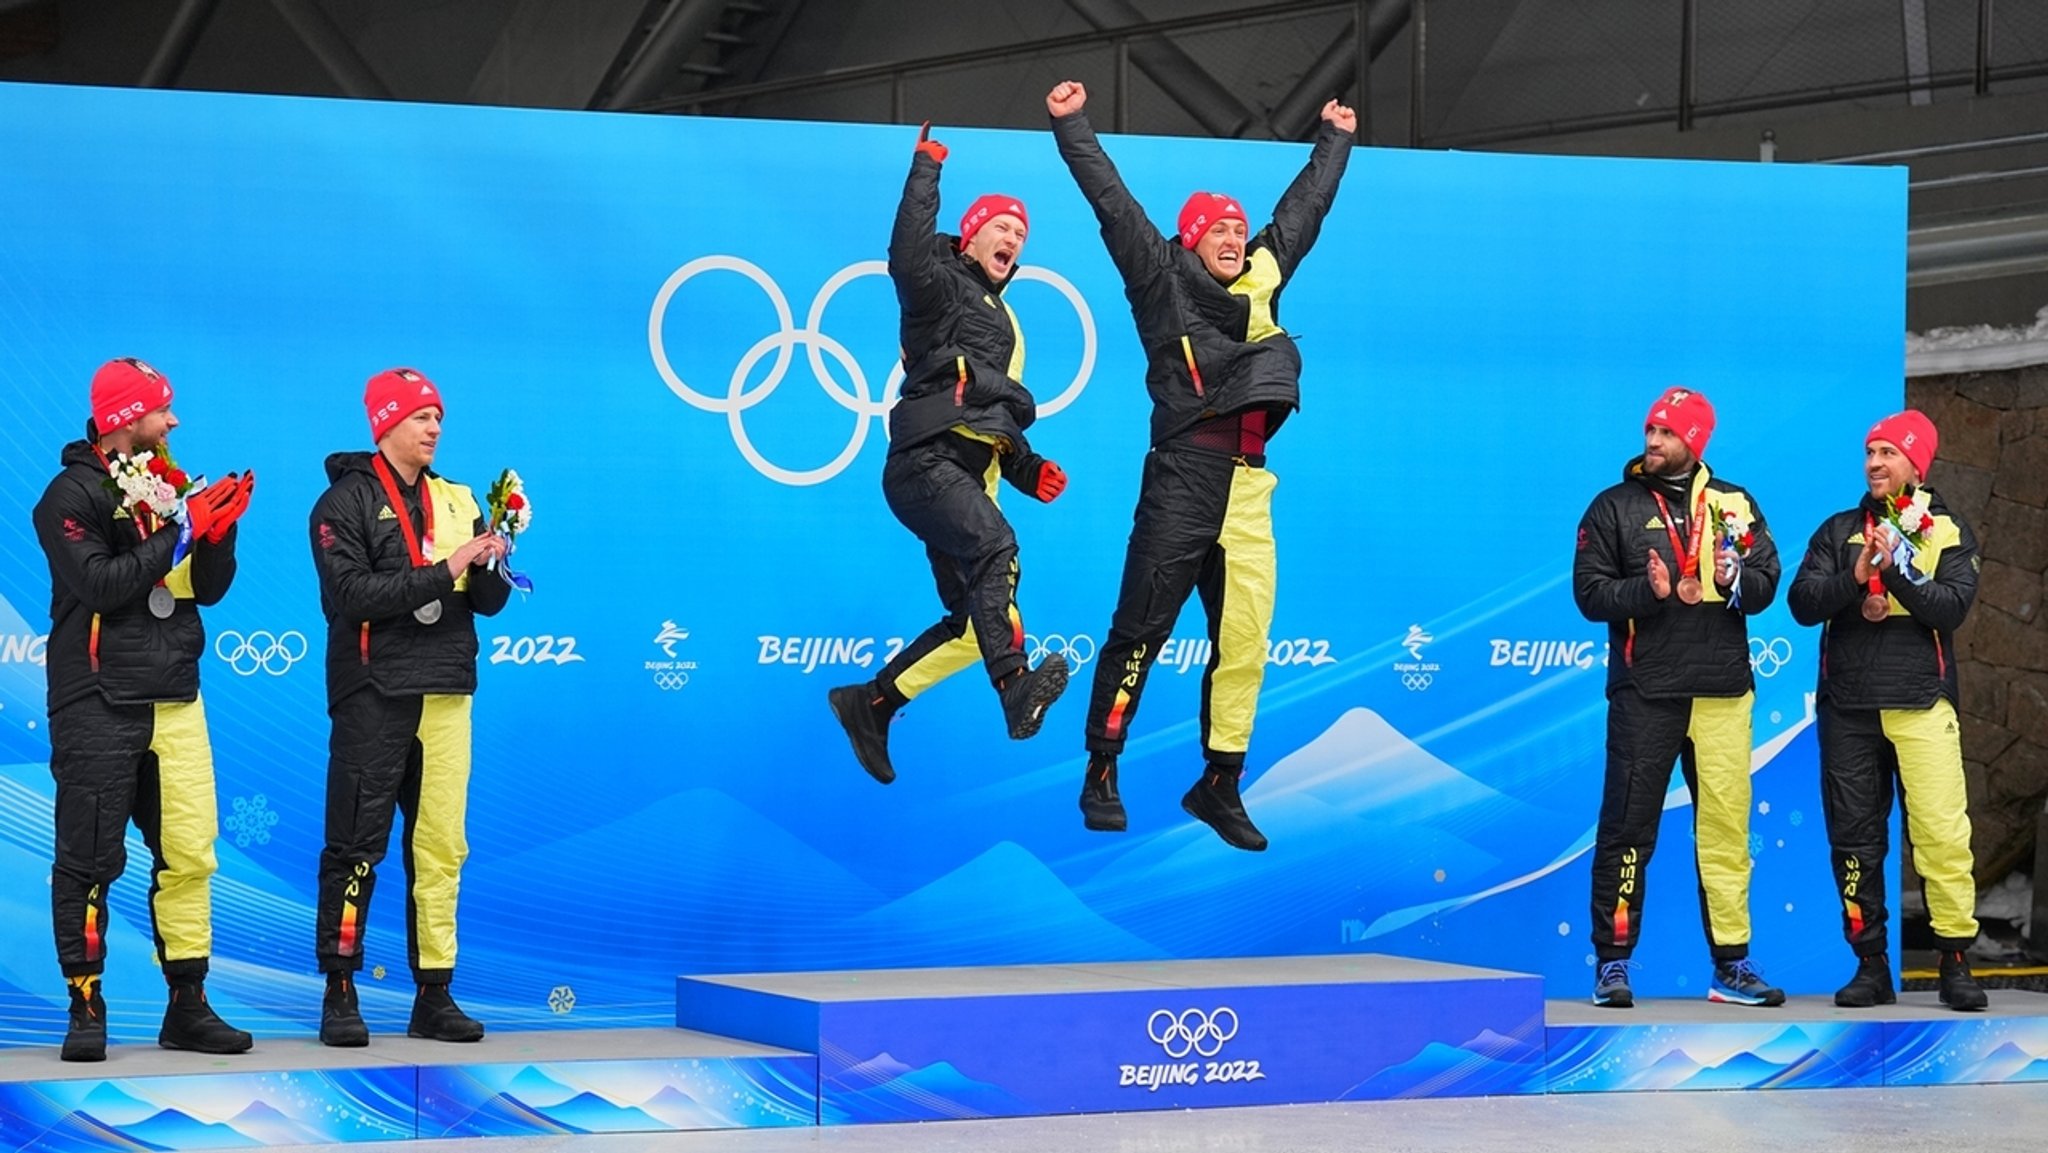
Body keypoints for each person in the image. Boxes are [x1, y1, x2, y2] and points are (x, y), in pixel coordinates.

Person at [1045, 79, 1354, 852]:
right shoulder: (1160, 277)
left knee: (1245, 640)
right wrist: (1071, 124)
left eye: (1238, 227)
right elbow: (1113, 203)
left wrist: (1335, 140)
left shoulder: (1263, 276)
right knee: (1141, 629)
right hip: (1184, 473)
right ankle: (1102, 765)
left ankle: (1219, 781)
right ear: (1190, 239)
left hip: (1248, 487)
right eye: (1218, 227)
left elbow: (1303, 213)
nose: (1234, 235)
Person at [828, 122, 1071, 785]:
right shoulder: (938, 288)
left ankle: (872, 703)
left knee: (972, 624)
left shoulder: (1007, 320)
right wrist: (925, 169)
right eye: (1001, 227)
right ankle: (1015, 688)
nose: (1014, 239)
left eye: (1021, 234)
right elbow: (906, 257)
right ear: (970, 235)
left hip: (964, 471)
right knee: (998, 548)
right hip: (924, 463)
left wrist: (1027, 467)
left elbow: (992, 419)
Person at [31, 357, 256, 1061]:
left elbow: (205, 589)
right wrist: (182, 530)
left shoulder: (169, 486)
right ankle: (86, 1004)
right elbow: (102, 584)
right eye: (163, 409)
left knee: (190, 854)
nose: (175, 420)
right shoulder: (67, 495)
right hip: (97, 696)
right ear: (127, 418)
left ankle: (187, 1004)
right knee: (90, 858)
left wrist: (219, 534)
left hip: (176, 696)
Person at [309, 368, 510, 1046]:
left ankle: (435, 991)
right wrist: (448, 566)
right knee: (356, 845)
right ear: (385, 424)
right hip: (373, 691)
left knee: (442, 849)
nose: (434, 428)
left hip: (446, 692)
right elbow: (353, 596)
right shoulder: (342, 503)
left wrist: (493, 558)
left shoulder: (457, 497)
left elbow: (485, 601)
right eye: (421, 417)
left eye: (439, 418)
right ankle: (340, 989)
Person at [1573, 387, 1783, 1008]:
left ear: (1694, 440)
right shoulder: (1613, 507)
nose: (1652, 441)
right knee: (1628, 829)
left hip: (1722, 691)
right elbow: (1589, 595)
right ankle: (1613, 963)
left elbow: (1769, 581)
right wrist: (1648, 589)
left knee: (1724, 832)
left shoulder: (1734, 504)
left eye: (1666, 432)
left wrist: (1732, 578)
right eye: (1650, 430)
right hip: (1647, 691)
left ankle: (1733, 966)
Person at [1787, 410, 1987, 1011]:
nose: (1875, 463)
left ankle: (1955, 961)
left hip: (1922, 704)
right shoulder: (1839, 529)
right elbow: (1801, 603)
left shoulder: (1948, 531)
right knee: (1853, 840)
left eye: (1888, 453)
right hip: (1848, 708)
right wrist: (1856, 573)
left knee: (1942, 837)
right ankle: (1870, 963)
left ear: (1916, 464)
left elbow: (1948, 610)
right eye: (1870, 452)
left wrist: (1894, 569)